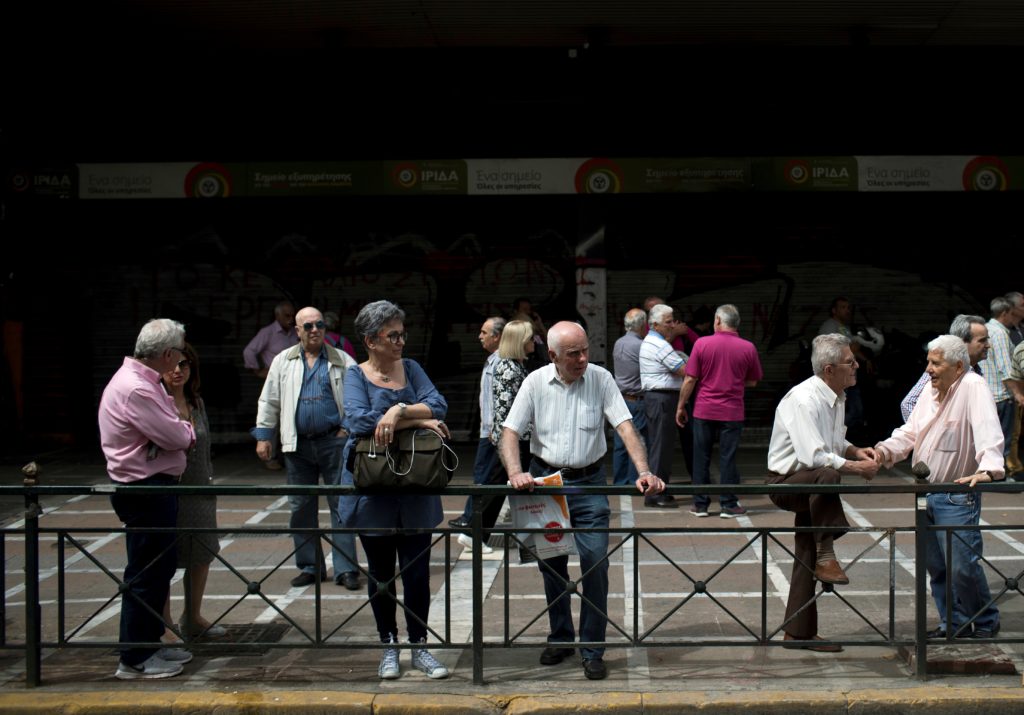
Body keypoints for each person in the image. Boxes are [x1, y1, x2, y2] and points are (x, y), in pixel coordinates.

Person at [500, 321, 665, 680]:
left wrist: (644, 470)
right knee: (551, 567)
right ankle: (561, 638)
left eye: (585, 350)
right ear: (553, 355)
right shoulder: (534, 382)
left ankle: (593, 649)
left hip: (589, 483)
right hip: (545, 483)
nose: (582, 359)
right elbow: (510, 432)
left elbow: (625, 427)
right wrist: (516, 472)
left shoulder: (601, 379)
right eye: (573, 353)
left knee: (596, 566)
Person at [340, 299, 451, 680]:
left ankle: (419, 647)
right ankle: (389, 645)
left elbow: (439, 404)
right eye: (393, 335)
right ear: (371, 340)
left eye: (403, 334)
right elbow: (356, 421)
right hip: (374, 490)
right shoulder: (354, 375)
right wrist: (418, 420)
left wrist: (397, 412)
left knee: (418, 574)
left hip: (416, 487)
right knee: (381, 574)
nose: (401, 341)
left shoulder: (413, 368)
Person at [875, 335, 1005, 639]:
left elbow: (988, 427)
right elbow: (910, 432)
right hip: (926, 492)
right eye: (928, 362)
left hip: (957, 494)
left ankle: (986, 621)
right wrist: (884, 451)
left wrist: (989, 468)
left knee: (962, 566)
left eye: (936, 363)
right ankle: (953, 624)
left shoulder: (973, 386)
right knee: (938, 567)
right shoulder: (931, 391)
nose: (929, 369)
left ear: (958, 366)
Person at [766, 333, 880, 652]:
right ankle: (827, 553)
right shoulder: (804, 399)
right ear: (829, 369)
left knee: (806, 550)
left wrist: (857, 451)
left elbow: (833, 443)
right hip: (786, 482)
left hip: (812, 483)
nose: (856, 365)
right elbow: (814, 457)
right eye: (850, 362)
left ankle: (798, 632)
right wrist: (857, 469)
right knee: (828, 473)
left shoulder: (837, 396)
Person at [98, 318, 196, 679]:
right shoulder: (136, 388)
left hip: (154, 486)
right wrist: (184, 430)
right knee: (147, 572)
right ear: (168, 354)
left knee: (158, 569)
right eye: (180, 352)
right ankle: (135, 656)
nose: (182, 359)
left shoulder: (143, 381)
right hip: (145, 488)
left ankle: (150, 645)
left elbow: (173, 425)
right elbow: (177, 434)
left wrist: (178, 427)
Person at [252, 306, 361, 590]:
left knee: (342, 505)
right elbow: (269, 400)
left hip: (333, 443)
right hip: (297, 445)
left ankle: (346, 569)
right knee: (300, 506)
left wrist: (346, 429)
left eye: (319, 325)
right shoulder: (282, 361)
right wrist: (264, 436)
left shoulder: (343, 360)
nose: (315, 330)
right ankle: (310, 566)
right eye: (308, 326)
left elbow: (356, 399)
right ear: (297, 331)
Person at [158, 343, 226, 640]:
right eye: (172, 365)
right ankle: (165, 622)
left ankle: (193, 617)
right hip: (169, 488)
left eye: (184, 365)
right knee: (165, 558)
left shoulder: (196, 403)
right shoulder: (155, 401)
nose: (177, 371)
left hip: (199, 488)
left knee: (202, 553)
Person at [676, 304, 763, 518]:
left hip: (704, 409)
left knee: (701, 456)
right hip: (732, 411)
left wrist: (680, 405)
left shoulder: (702, 344)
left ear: (717, 320)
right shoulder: (748, 347)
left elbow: (690, 378)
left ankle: (700, 504)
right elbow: (752, 381)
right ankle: (728, 504)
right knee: (728, 457)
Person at [448, 316, 507, 552]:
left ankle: (473, 529)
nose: (479, 336)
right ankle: (473, 530)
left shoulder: (498, 361)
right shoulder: (496, 361)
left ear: (498, 336)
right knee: (488, 481)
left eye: (484, 332)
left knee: (490, 481)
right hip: (492, 434)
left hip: (492, 433)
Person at [640, 304, 689, 508]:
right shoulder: (659, 346)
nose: (672, 325)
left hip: (660, 399)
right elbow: (684, 370)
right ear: (656, 325)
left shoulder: (656, 342)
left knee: (663, 447)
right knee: (661, 448)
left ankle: (660, 490)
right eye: (668, 322)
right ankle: (655, 494)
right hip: (661, 399)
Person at [899, 314, 989, 421]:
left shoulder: (977, 371)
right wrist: (928, 432)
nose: (988, 345)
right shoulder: (943, 368)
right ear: (962, 342)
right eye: (982, 341)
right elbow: (908, 403)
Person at [243, 301, 299, 471]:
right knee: (272, 419)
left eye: (292, 316)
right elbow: (249, 351)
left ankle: (291, 456)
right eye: (286, 316)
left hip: (295, 382)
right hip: (276, 383)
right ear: (277, 316)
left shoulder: (296, 333)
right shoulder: (268, 332)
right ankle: (271, 457)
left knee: (292, 418)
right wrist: (257, 371)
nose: (290, 319)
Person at [981, 296, 1024, 472]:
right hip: (1001, 395)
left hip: (987, 394)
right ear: (1004, 313)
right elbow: (1006, 368)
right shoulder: (999, 333)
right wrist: (1018, 394)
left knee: (989, 438)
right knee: (1004, 438)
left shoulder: (985, 329)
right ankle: (1002, 473)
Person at [818, 297, 866, 435]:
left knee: (853, 411)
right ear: (834, 310)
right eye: (843, 307)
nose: (847, 310)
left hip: (848, 376)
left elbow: (852, 348)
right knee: (850, 411)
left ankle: (835, 436)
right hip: (838, 377)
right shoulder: (829, 327)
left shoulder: (843, 328)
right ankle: (829, 434)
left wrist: (865, 360)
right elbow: (828, 350)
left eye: (848, 307)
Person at [611, 308, 648, 486]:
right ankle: (635, 480)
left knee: (620, 443)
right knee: (637, 441)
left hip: (621, 399)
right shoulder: (641, 345)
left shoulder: (619, 343)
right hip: (636, 399)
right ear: (642, 325)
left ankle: (619, 481)